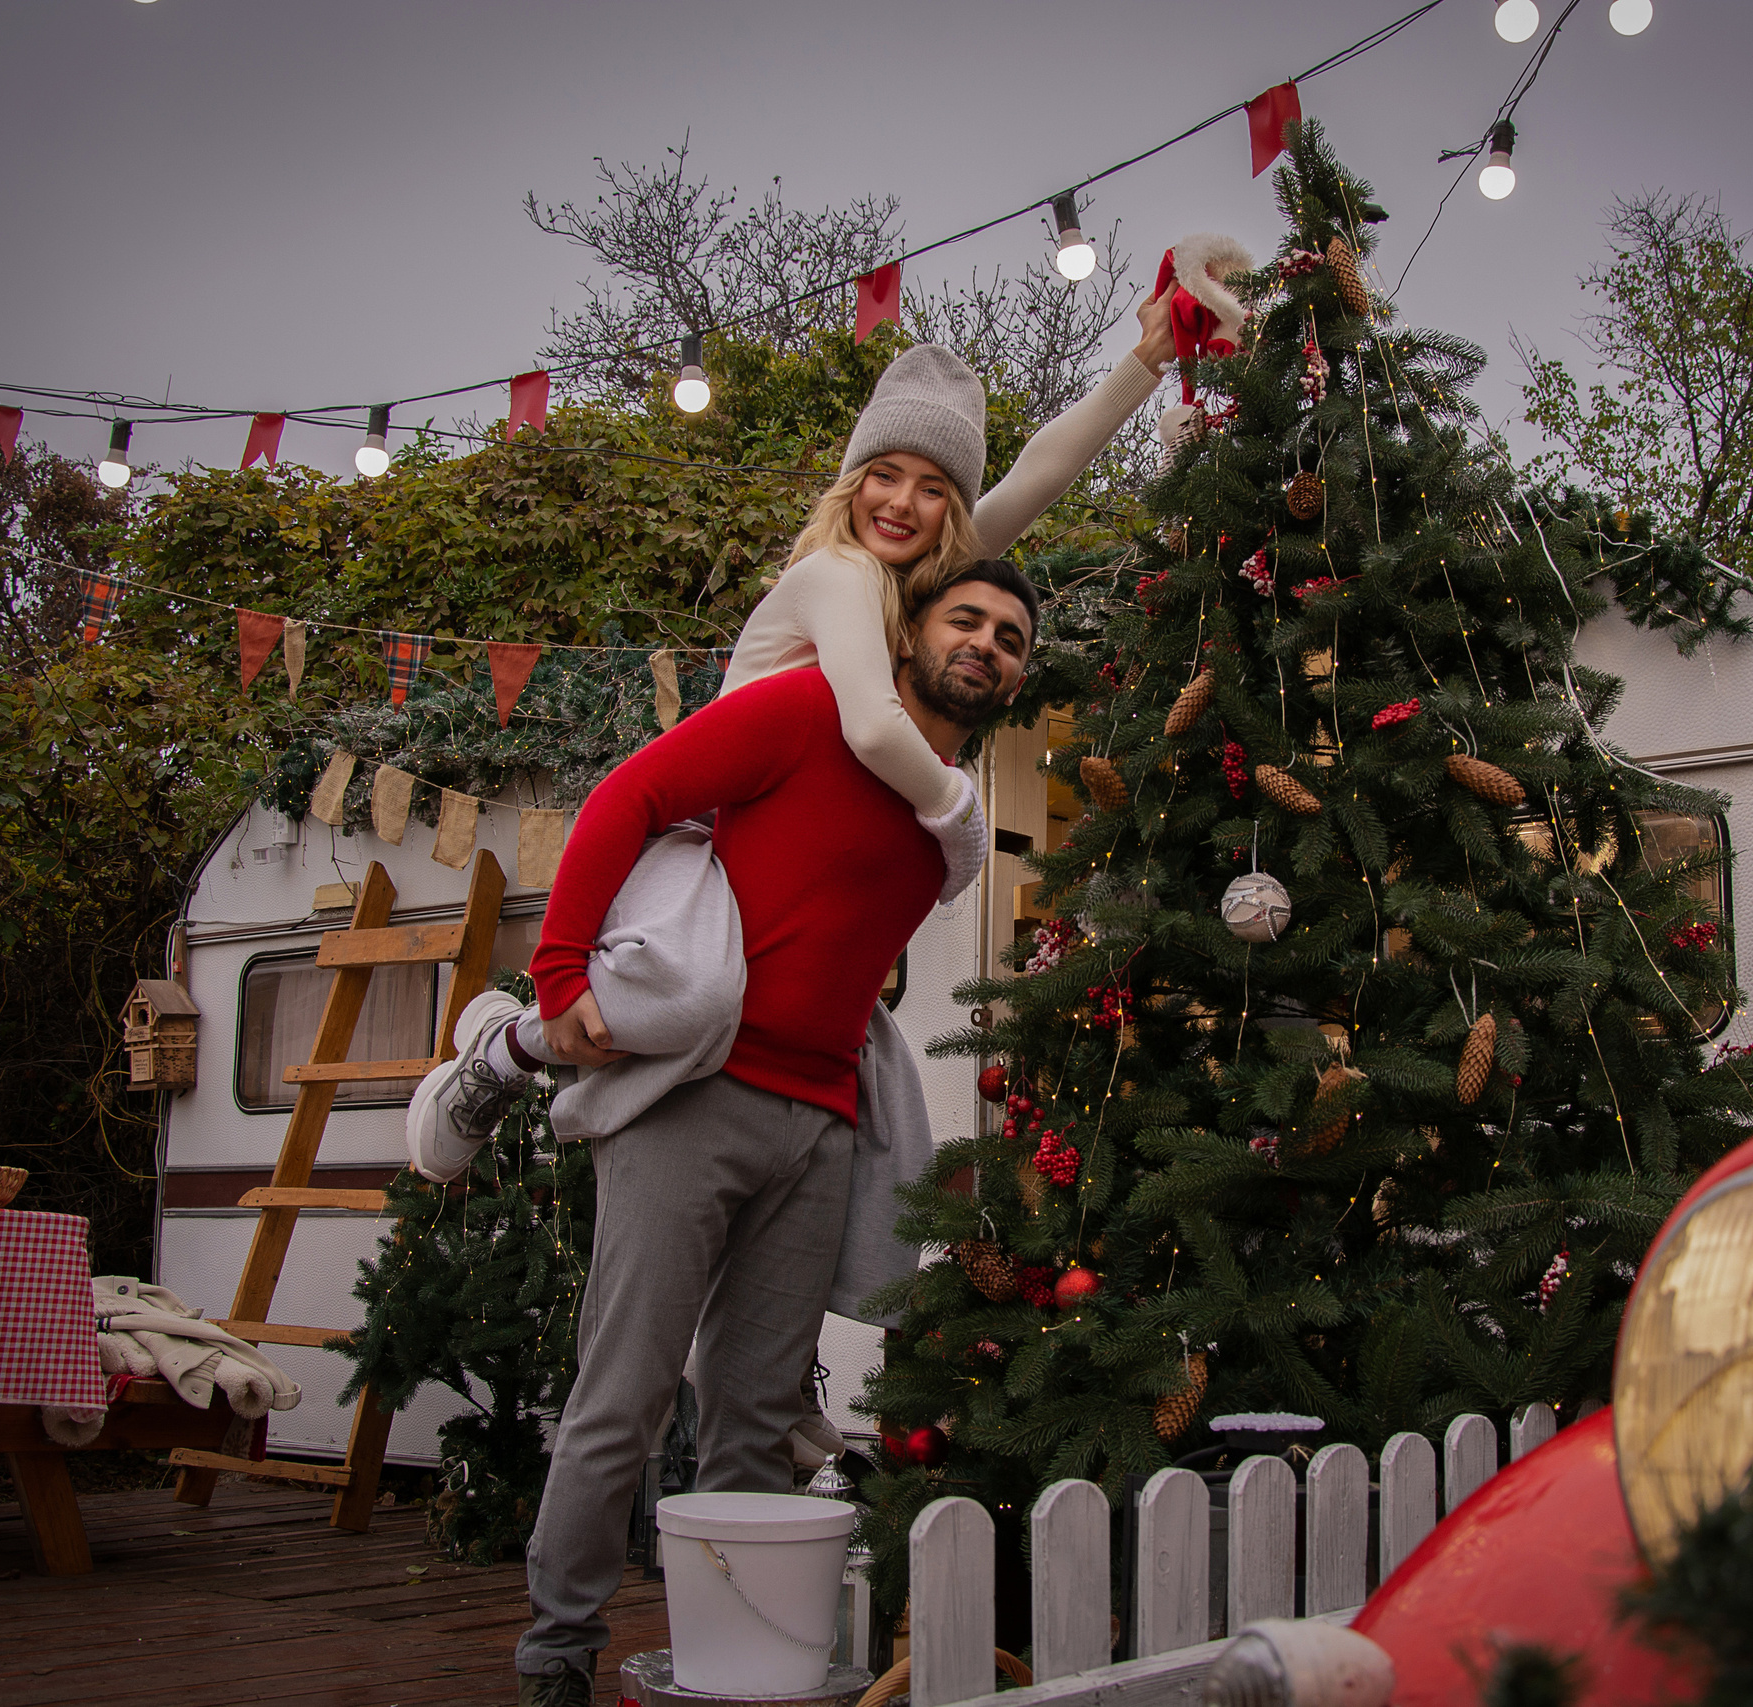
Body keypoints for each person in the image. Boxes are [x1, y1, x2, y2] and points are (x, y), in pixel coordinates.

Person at [404, 292, 1177, 1178]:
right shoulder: (838, 575)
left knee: (820, 1031)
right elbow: (873, 725)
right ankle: (506, 1051)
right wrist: (953, 810)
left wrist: (1144, 363)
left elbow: (1037, 478)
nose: (901, 501)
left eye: (934, 489)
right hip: (703, 844)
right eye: (883, 473)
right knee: (692, 997)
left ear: (951, 513)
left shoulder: (921, 587)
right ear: (853, 481)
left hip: (771, 855)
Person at [506, 565, 1038, 1706]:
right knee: (626, 1393)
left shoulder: (948, 805)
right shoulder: (806, 712)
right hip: (692, 1104)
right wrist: (557, 977)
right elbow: (628, 798)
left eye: (1010, 636)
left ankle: (729, 1667)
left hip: (821, 1129)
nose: (986, 644)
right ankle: (556, 1657)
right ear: (908, 630)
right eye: (966, 619)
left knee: (754, 1416)